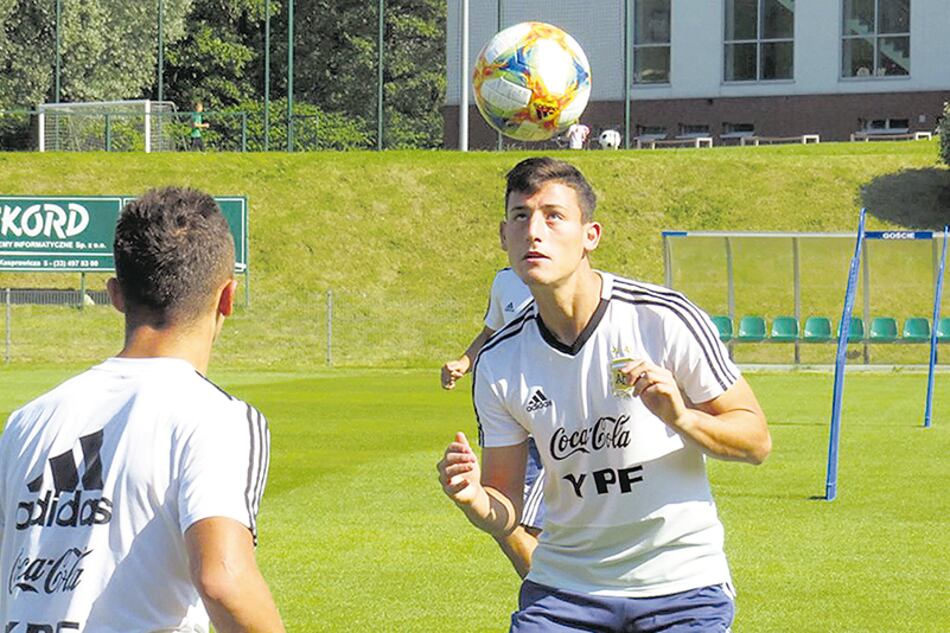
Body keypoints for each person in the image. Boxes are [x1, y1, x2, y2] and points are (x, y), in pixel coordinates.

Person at [437, 157, 771, 632]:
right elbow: (505, 508)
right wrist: (474, 500)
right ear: (503, 236)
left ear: (590, 235)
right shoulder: (498, 362)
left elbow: (755, 441)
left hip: (681, 589)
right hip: (564, 593)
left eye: (554, 216)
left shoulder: (663, 318)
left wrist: (681, 418)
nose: (535, 231)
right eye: (520, 216)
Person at [0, 188, 285, 633]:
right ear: (228, 297)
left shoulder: (26, 421)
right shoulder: (218, 418)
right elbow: (223, 580)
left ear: (116, 294)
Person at [441, 267, 540, 578]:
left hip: (551, 419)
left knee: (522, 524)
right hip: (510, 417)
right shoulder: (505, 281)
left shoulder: (566, 281)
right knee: (508, 522)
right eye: (519, 217)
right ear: (504, 233)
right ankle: (557, 598)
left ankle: (561, 601)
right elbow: (490, 333)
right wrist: (464, 362)